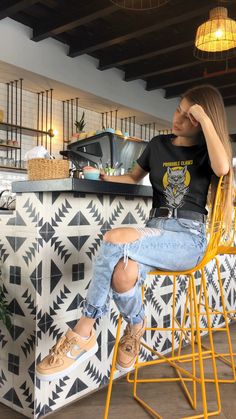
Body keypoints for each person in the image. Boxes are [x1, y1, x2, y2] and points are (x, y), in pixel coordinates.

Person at [36, 84, 233, 381]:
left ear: (203, 122)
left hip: (188, 239)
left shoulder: (207, 151)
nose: (178, 118)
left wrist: (204, 119)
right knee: (123, 275)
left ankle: (84, 330)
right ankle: (136, 327)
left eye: (187, 116)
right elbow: (132, 177)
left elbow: (221, 169)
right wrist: (105, 177)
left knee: (115, 237)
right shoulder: (157, 144)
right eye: (178, 110)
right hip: (155, 230)